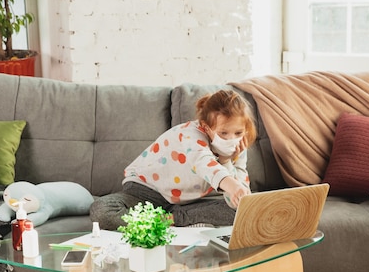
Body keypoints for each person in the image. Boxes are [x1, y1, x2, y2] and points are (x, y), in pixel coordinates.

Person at [90, 89, 258, 230]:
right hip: (145, 192)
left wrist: (226, 161)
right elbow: (202, 161)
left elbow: (238, 200)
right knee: (102, 211)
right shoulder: (190, 134)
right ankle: (174, 220)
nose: (231, 139)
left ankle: (171, 219)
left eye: (238, 132)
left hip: (182, 204)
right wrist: (232, 184)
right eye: (223, 133)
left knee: (241, 212)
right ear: (207, 127)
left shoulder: (237, 147)